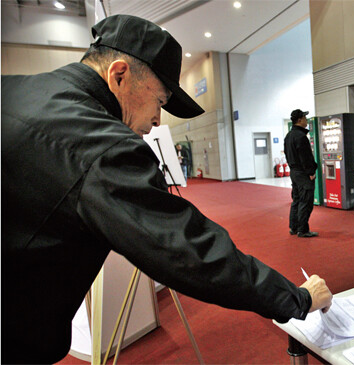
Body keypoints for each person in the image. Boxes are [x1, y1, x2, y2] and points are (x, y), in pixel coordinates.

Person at [1, 15, 332, 364]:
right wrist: (297, 298)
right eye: (159, 101)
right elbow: (189, 250)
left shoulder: (12, 89)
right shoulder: (102, 145)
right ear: (119, 75)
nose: (159, 121)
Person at [284, 109, 318, 238]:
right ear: (299, 120)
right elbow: (306, 157)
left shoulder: (289, 136)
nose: (306, 120)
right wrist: (311, 172)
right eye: (304, 118)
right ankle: (302, 229)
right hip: (303, 174)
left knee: (296, 200)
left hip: (294, 172)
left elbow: (288, 155)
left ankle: (294, 227)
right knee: (306, 201)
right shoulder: (301, 137)